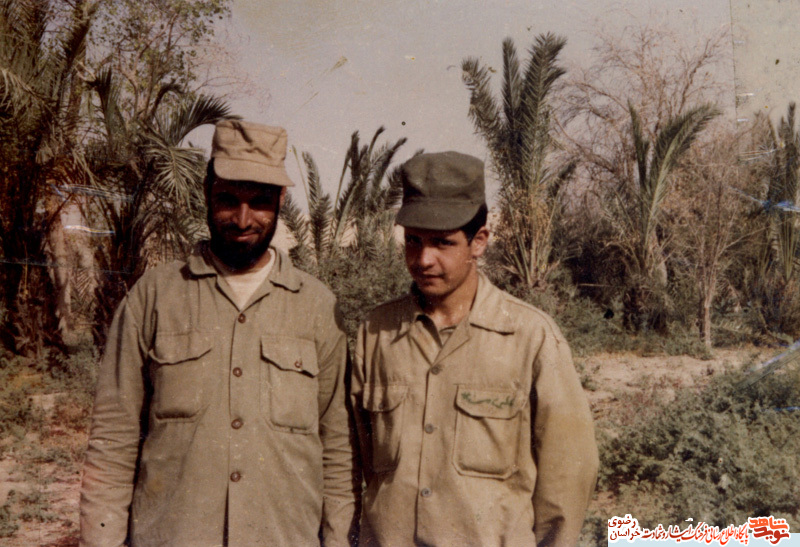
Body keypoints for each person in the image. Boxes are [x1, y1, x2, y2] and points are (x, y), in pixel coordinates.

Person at [80, 120, 357, 547]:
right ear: (207, 192)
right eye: (228, 200)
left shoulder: (318, 307)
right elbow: (113, 440)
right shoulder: (153, 297)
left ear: (281, 201)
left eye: (259, 202)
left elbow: (337, 449)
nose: (243, 220)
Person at [351, 151, 598, 546]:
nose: (423, 259)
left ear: (478, 242)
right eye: (413, 241)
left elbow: (567, 474)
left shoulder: (530, 337)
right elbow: (356, 461)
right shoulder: (375, 334)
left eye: (442, 243)